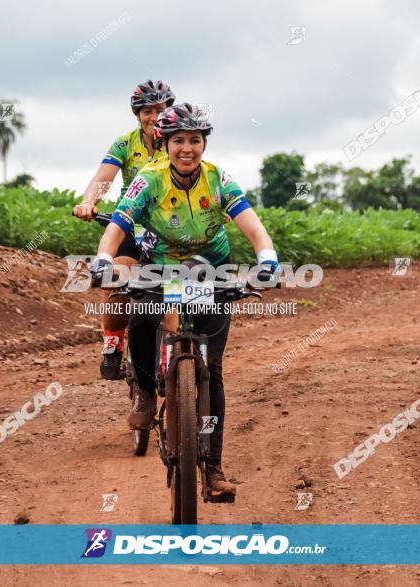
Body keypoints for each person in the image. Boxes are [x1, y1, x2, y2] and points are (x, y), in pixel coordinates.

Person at [90, 103, 279, 498]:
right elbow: (121, 223)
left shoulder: (219, 180)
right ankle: (144, 390)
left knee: (213, 369)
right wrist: (103, 258)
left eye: (195, 140)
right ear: (166, 143)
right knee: (142, 316)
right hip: (158, 264)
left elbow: (254, 227)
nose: (187, 148)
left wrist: (267, 259)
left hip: (210, 266)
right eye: (179, 140)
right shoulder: (149, 179)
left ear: (204, 144)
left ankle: (213, 469)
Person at [73, 80, 175, 379]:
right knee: (116, 277)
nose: (154, 116)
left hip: (170, 226)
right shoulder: (124, 143)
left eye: (160, 109)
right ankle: (113, 343)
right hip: (131, 223)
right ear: (137, 113)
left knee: (177, 285)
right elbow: (103, 177)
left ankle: (177, 350)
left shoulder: (176, 141)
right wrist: (89, 202)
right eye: (147, 111)